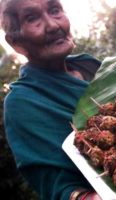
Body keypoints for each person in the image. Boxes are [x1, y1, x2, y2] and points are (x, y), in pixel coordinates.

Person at [1, 0, 103, 199]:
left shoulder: (90, 66)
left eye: (55, 10)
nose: (53, 25)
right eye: (32, 18)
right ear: (16, 42)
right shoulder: (23, 102)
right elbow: (57, 187)